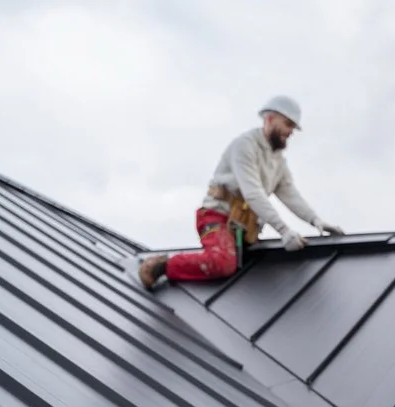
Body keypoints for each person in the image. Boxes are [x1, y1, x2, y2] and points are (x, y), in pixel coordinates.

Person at [138, 94, 344, 290]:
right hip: (216, 218)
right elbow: (253, 193)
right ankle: (161, 266)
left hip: (243, 229)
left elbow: (290, 194)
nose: (291, 132)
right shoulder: (244, 146)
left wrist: (316, 221)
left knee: (261, 263)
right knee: (222, 262)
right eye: (288, 124)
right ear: (270, 119)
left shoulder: (278, 161)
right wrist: (283, 230)